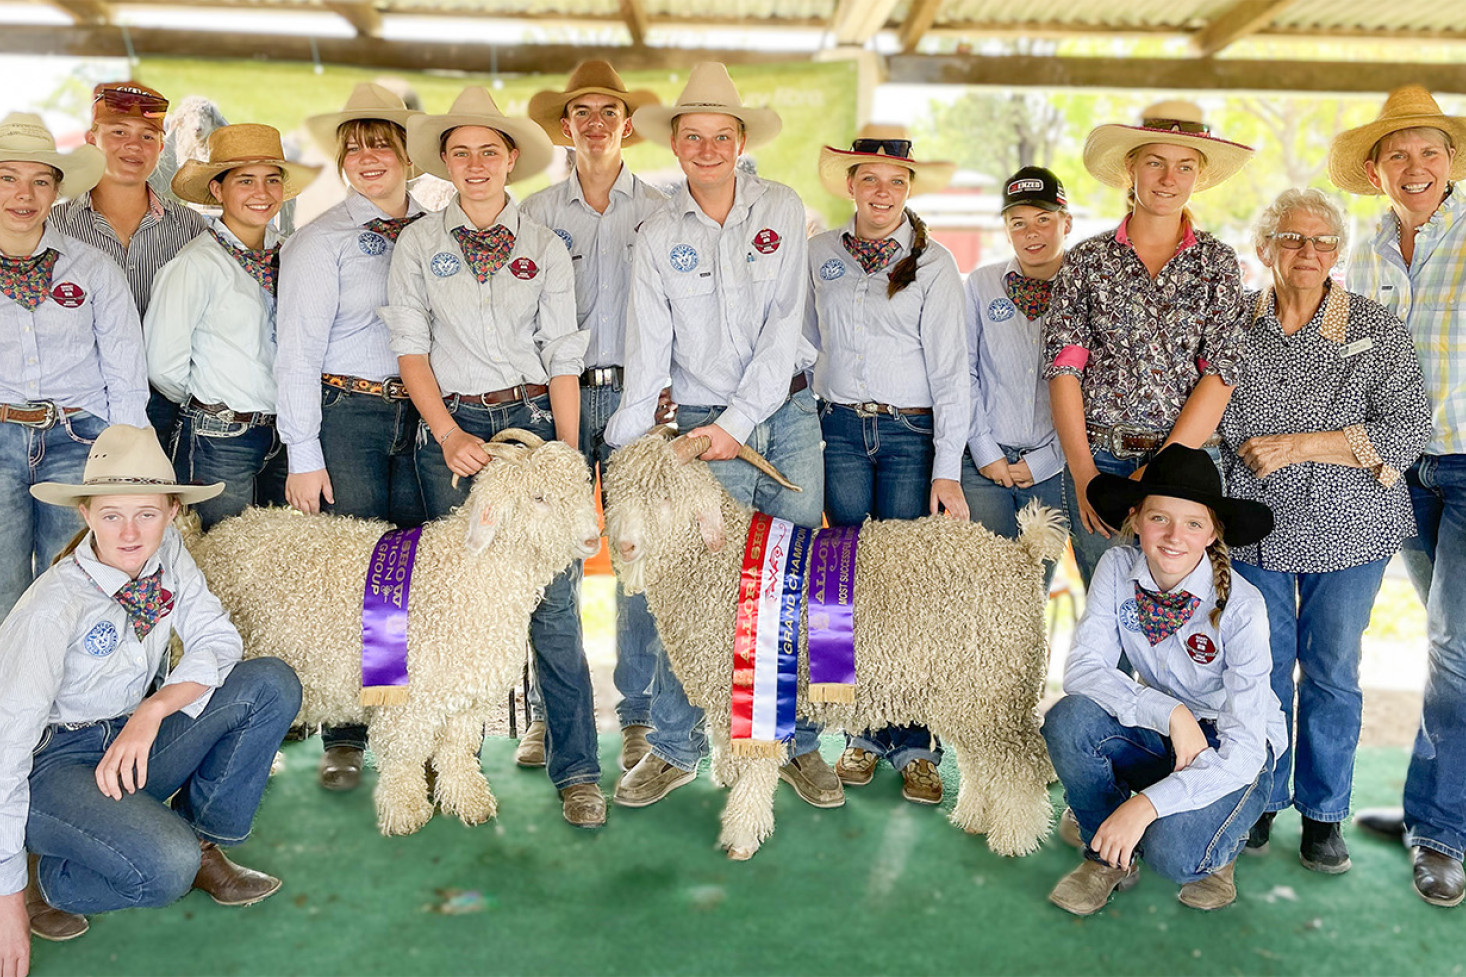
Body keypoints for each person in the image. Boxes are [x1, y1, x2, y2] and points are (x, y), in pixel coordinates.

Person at [604, 62, 838, 811]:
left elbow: (783, 333)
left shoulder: (782, 207)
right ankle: (675, 746)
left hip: (788, 417)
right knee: (694, 590)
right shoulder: (656, 234)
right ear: (675, 146)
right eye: (693, 136)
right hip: (702, 428)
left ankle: (798, 744)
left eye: (722, 136)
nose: (708, 148)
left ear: (741, 142)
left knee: (794, 584)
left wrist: (738, 427)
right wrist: (635, 452)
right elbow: (646, 351)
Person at [380, 87, 605, 828]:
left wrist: (565, 460)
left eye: (489, 151)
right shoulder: (417, 243)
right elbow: (411, 349)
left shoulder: (543, 245)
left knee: (552, 606)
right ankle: (429, 767)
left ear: (511, 158)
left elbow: (563, 354)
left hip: (533, 421)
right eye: (460, 152)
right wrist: (447, 434)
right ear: (444, 161)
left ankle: (576, 769)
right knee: (444, 603)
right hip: (452, 432)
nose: (475, 165)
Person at [0, 424, 301, 975]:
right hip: (51, 765)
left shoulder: (168, 552)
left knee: (268, 683)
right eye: (112, 514)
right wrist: (7, 900)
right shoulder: (53, 607)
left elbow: (218, 640)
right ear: (86, 514)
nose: (132, 531)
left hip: (130, 739)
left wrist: (154, 708)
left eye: (148, 513)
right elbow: (7, 745)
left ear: (170, 512)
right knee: (165, 868)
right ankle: (46, 873)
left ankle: (203, 842)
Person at [1220, 187, 1430, 874]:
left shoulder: (1376, 327)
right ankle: (1260, 797)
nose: (1306, 253)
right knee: (1262, 668)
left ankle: (1323, 813)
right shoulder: (1232, 326)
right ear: (1265, 247)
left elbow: (1407, 430)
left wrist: (1297, 444)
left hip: (1353, 528)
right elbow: (1216, 429)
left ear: (1338, 252)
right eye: (1291, 238)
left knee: (1335, 671)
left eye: (1321, 242)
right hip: (1256, 526)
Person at [1042, 444, 1282, 916]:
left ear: (1213, 532)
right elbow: (1084, 669)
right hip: (1163, 731)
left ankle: (1220, 849)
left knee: (1176, 855)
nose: (1174, 537)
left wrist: (1144, 806)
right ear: (1135, 518)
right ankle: (1106, 855)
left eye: (1193, 523)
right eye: (1159, 519)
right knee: (1069, 719)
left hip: (1233, 749)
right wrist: (1169, 712)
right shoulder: (1115, 568)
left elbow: (1248, 747)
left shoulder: (1242, 605)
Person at [1330, 84, 1466, 907]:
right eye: (1397, 154)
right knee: (1443, 639)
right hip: (1397, 473)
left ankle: (1441, 829)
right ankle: (1436, 808)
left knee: (1455, 645)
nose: (1414, 167)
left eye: (1430, 150)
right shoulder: (1369, 254)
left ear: (1450, 162)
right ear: (1377, 170)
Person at [806, 125, 968, 805]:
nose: (881, 191)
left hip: (910, 434)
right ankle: (858, 734)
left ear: (909, 190)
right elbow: (803, 341)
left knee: (905, 587)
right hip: (839, 429)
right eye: (868, 178)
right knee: (843, 585)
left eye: (895, 182)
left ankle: (914, 742)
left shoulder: (935, 265)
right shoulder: (818, 254)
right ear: (850, 184)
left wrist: (948, 467)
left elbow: (953, 372)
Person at [277, 83, 427, 791]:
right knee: (359, 575)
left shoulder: (439, 230)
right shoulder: (322, 241)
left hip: (423, 418)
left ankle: (408, 726)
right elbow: (297, 354)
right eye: (354, 147)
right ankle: (345, 732)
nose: (368, 158)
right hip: (350, 416)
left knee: (416, 572)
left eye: (381, 144)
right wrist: (304, 454)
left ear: (406, 155)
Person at [521, 61, 668, 774]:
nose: (597, 123)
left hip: (644, 399)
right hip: (561, 396)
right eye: (583, 111)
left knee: (637, 560)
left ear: (628, 124)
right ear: (564, 126)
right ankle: (555, 715)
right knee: (556, 560)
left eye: (609, 110)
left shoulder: (664, 210)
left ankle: (637, 714)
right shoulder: (536, 215)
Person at [1045, 101, 1253, 586]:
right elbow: (1064, 369)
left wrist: (1158, 473)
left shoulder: (1217, 263)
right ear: (1130, 169)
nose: (1168, 177)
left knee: (1186, 614)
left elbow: (1219, 374)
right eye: (1155, 162)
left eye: (1184, 166)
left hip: (1190, 464)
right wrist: (1084, 476)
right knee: (1108, 607)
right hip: (1100, 458)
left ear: (1198, 176)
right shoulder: (1086, 261)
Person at [0, 111, 148, 620]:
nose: (25, 195)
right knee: (3, 582)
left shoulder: (92, 268)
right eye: (8, 178)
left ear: (56, 191)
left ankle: (73, 695)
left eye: (41, 180)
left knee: (75, 577)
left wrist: (127, 457)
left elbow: (125, 368)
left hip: (79, 437)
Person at [144, 124, 320, 531]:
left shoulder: (292, 255)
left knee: (277, 560)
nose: (262, 192)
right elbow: (162, 365)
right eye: (245, 181)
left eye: (271, 180)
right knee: (219, 560)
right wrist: (215, 400)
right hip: (220, 438)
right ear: (219, 190)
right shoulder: (197, 264)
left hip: (286, 435)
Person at [51, 81, 209, 450]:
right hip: (79, 402)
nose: (133, 146)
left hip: (169, 402)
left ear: (161, 146)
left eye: (147, 136)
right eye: (118, 132)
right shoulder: (55, 228)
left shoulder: (190, 228)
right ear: (92, 139)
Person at [960, 165, 1070, 586]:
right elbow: (963, 370)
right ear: (1007, 231)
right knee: (982, 591)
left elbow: (1094, 388)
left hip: (1053, 466)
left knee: (1030, 594)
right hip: (983, 463)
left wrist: (1045, 459)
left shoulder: (1084, 285)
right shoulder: (982, 284)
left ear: (1066, 222)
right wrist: (987, 452)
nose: (1032, 233)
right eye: (1018, 223)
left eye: (1044, 220)